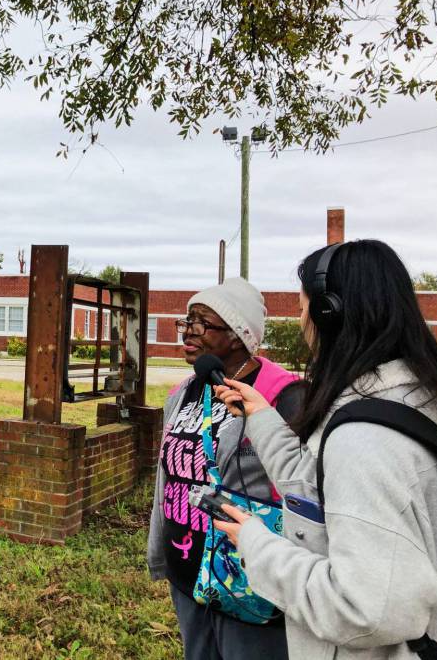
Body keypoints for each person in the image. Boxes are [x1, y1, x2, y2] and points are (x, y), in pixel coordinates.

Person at [213, 240, 437, 659]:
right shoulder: (405, 398)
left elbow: (364, 609)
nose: (302, 323)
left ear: (328, 313)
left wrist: (256, 545)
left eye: (303, 309)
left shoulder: (367, 441)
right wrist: (260, 416)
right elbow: (316, 489)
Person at [146, 278, 301, 660]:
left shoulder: (283, 395)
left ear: (238, 335)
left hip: (246, 575)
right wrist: (159, 552)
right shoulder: (184, 391)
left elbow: (301, 485)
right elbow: (167, 478)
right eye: (187, 321)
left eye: (202, 323)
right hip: (187, 569)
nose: (188, 332)